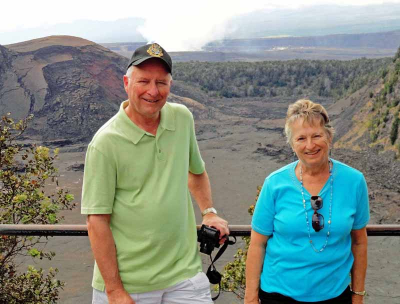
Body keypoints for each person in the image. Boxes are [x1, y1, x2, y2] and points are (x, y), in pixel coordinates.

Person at [81, 43, 229, 304]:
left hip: (185, 276)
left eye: (161, 82)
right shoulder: (105, 143)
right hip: (130, 284)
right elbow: (97, 222)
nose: (153, 91)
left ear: (170, 85)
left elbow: (196, 172)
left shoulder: (182, 119)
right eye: (144, 81)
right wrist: (115, 291)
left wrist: (209, 212)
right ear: (126, 83)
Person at [245, 99, 369, 304]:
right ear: (292, 144)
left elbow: (359, 241)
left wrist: (357, 296)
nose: (310, 145)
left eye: (316, 136)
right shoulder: (274, 184)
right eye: (301, 138)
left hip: (334, 296)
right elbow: (258, 244)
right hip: (278, 295)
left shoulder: (354, 181)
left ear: (329, 136)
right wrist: (250, 298)